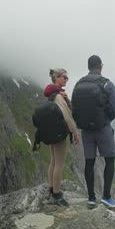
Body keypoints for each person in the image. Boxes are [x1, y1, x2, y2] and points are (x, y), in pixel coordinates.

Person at [72, 55, 115, 208]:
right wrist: (105, 120)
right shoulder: (107, 84)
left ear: (88, 67)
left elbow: (74, 108)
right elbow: (114, 106)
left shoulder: (78, 84)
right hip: (103, 128)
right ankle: (106, 196)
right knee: (110, 159)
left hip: (86, 130)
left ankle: (91, 198)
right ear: (101, 66)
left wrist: (84, 122)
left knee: (89, 162)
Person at [43, 68, 79, 206]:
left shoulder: (51, 94)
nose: (66, 80)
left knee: (53, 161)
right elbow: (67, 115)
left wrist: (67, 99)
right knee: (59, 164)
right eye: (64, 77)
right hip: (59, 133)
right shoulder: (58, 96)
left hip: (51, 132)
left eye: (67, 77)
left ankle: (51, 189)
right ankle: (57, 195)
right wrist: (74, 132)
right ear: (56, 78)